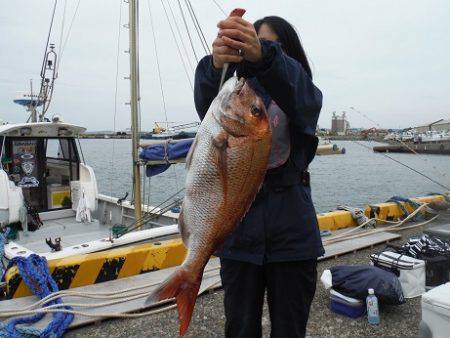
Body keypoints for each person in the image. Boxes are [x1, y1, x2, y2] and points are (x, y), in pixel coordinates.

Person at [194, 15, 324, 338]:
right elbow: (206, 105)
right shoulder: (237, 95)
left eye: (270, 45)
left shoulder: (299, 87)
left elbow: (307, 99)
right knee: (239, 328)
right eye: (252, 43)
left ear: (286, 52)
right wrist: (215, 66)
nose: (258, 49)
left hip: (293, 235)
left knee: (290, 330)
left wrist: (265, 56)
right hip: (240, 235)